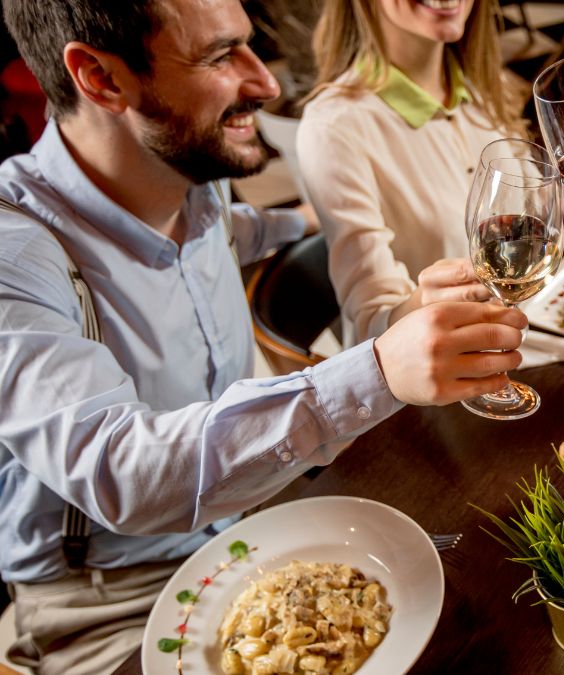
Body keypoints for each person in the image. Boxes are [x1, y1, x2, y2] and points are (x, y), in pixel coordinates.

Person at [0, 1, 525, 673]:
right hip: (112, 609)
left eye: (250, 46)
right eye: (221, 56)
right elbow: (121, 470)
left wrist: (335, 210)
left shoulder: (186, 179)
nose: (266, 83)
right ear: (101, 79)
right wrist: (378, 370)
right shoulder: (18, 256)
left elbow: (241, 230)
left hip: (246, 534)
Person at [296, 0, 564, 345]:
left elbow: (546, 217)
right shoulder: (334, 128)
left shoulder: (489, 85)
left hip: (536, 339)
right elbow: (373, 325)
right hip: (451, 378)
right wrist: (426, 301)